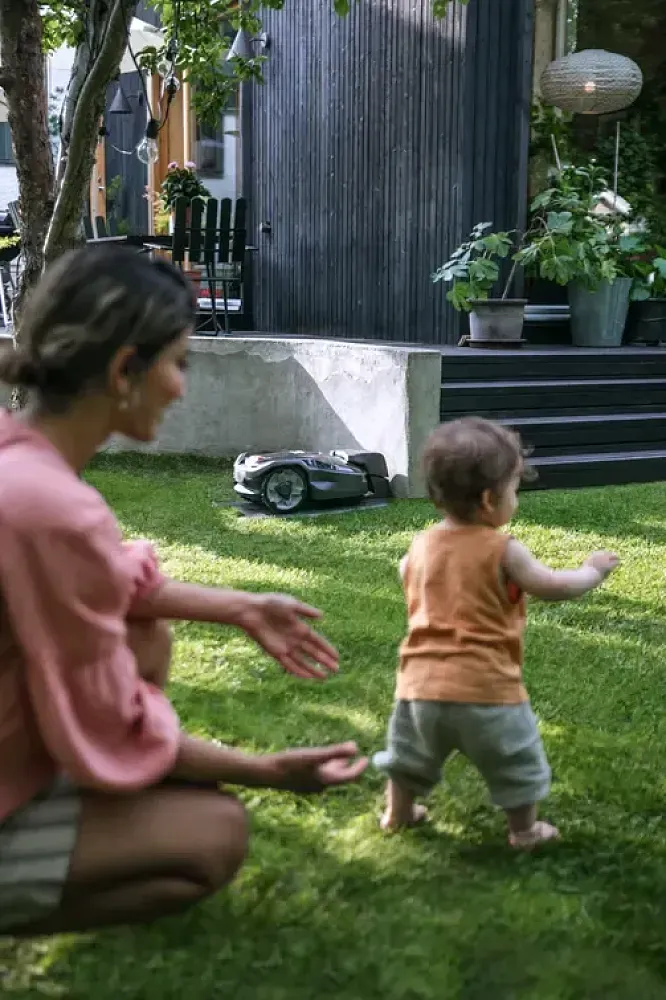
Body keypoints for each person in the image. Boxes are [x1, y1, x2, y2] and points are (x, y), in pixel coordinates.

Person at [0, 245, 367, 937]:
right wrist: (268, 770)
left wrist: (241, 607)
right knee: (215, 831)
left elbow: (109, 579)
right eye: (178, 363)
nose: (180, 387)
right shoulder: (52, 510)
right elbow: (111, 719)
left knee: (145, 634)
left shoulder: (16, 461)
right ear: (123, 371)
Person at [373, 417, 618, 849]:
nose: (515, 499)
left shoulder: (420, 546)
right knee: (516, 760)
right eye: (514, 490)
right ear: (489, 500)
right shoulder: (503, 550)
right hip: (486, 688)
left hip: (419, 687)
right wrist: (591, 571)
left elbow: (405, 572)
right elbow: (553, 586)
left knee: (409, 757)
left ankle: (398, 812)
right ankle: (524, 830)